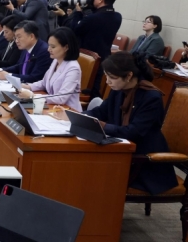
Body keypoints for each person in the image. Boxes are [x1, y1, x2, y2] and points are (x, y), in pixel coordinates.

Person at [74, 53, 176, 194]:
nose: (108, 81)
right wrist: (79, 117)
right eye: (106, 76)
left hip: (143, 162)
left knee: (91, 171)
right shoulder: (119, 90)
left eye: (113, 78)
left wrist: (101, 125)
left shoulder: (151, 97)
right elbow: (100, 112)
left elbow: (133, 132)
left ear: (128, 76)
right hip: (121, 148)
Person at [18, 27, 82, 112]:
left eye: (53, 47)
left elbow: (61, 98)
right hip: (52, 107)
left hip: (68, 112)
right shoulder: (56, 60)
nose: (49, 49)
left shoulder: (73, 68)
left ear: (66, 47)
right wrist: (27, 86)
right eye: (49, 45)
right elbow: (44, 82)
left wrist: (32, 96)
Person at [74, 0, 122, 98]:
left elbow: (75, 29)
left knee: (85, 88)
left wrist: (77, 13)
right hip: (104, 57)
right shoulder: (117, 17)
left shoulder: (92, 18)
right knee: (95, 87)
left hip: (87, 58)